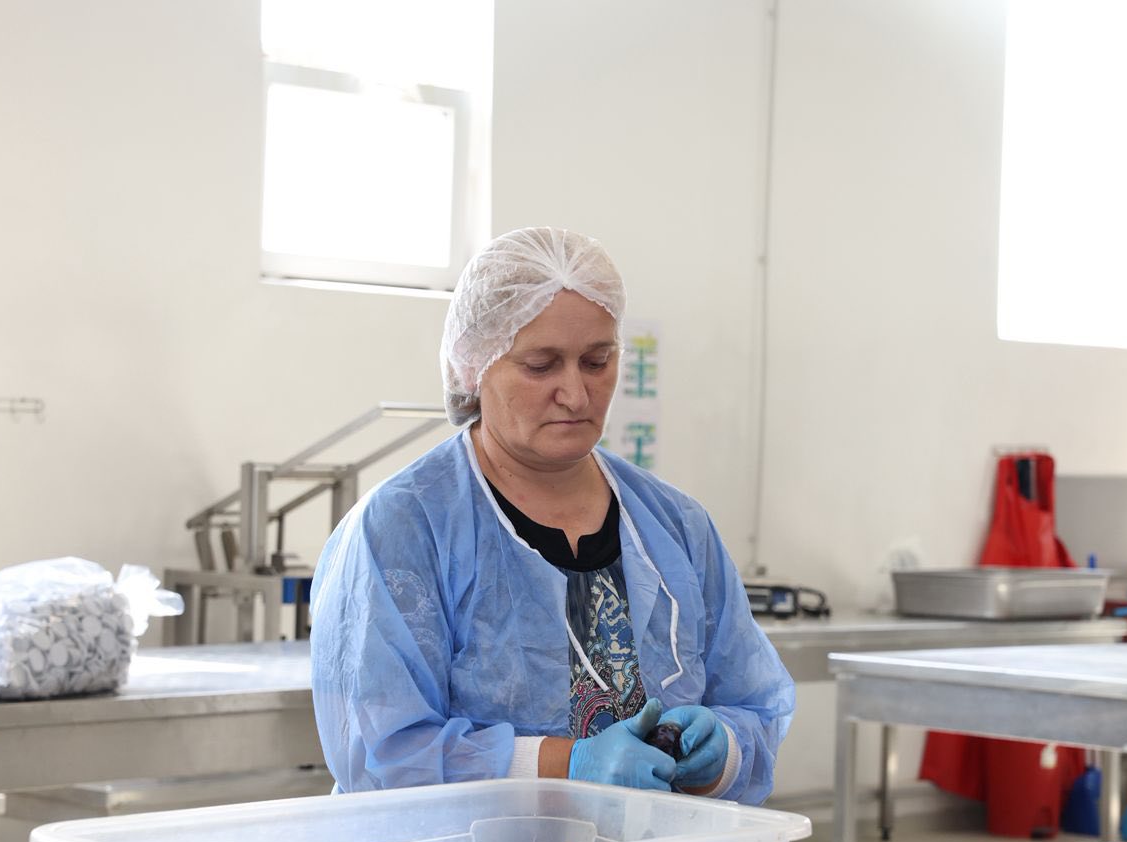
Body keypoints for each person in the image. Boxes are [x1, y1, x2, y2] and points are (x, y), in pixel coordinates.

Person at [309, 227, 793, 802]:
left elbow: (750, 705)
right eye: (541, 365)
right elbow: (383, 756)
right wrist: (572, 765)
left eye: (597, 361)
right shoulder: (404, 528)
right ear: (473, 366)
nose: (576, 395)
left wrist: (722, 752)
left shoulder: (675, 526)